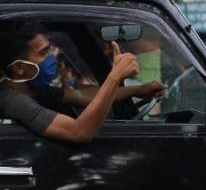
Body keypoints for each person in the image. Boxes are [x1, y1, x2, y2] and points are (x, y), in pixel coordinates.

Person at [0, 22, 145, 143]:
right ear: (19, 67)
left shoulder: (35, 91)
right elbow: (78, 132)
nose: (52, 57)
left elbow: (82, 96)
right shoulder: (11, 100)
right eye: (43, 53)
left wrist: (139, 90)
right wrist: (115, 76)